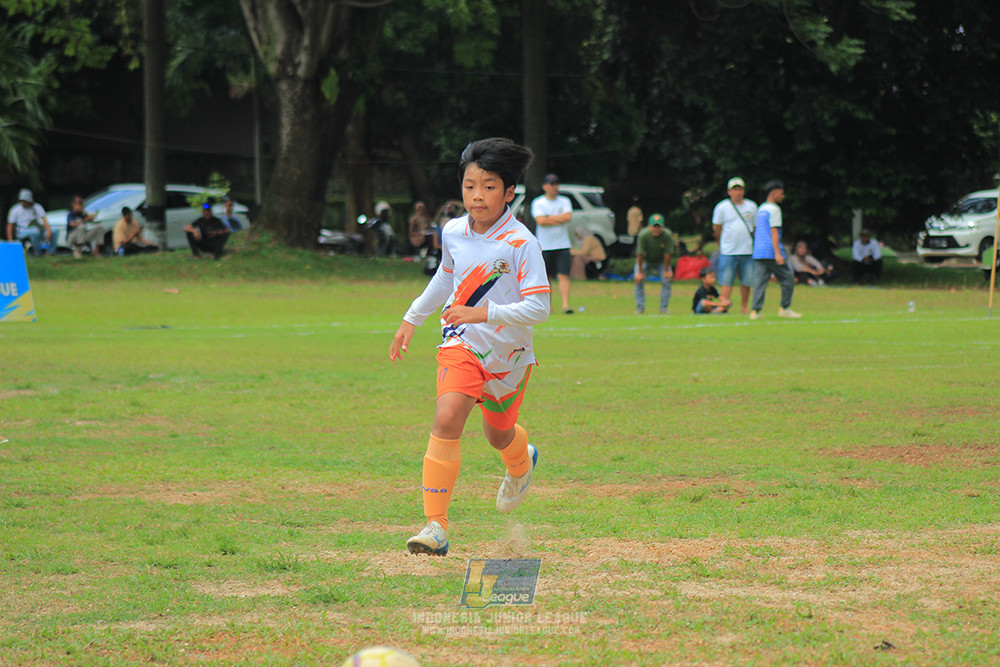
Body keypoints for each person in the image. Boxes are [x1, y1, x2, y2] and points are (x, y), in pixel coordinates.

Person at [389, 137, 548, 557]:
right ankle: (435, 526)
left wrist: (484, 313)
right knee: (447, 417)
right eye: (470, 185)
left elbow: (540, 307)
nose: (477, 196)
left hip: (508, 356)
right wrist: (412, 317)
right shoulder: (453, 231)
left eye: (489, 186)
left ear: (509, 192)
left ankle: (521, 461)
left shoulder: (521, 243)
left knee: (498, 436)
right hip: (460, 343)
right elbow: (445, 276)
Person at [750, 181, 800, 320]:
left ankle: (755, 311)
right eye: (781, 192)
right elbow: (773, 231)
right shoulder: (774, 209)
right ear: (774, 193)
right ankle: (785, 308)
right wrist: (778, 253)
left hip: (759, 250)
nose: (783, 196)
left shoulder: (761, 209)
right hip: (770, 251)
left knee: (760, 282)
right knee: (788, 278)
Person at [712, 177, 757, 314]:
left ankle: (744, 307)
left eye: (740, 189)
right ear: (729, 191)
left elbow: (754, 227)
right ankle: (724, 305)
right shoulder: (722, 207)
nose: (737, 192)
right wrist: (721, 243)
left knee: (747, 281)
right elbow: (717, 228)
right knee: (726, 280)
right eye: (734, 189)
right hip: (728, 251)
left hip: (747, 250)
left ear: (743, 191)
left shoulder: (752, 206)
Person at [531, 173, 574, 314]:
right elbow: (541, 221)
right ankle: (548, 306)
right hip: (545, 245)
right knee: (547, 277)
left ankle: (566, 305)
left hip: (563, 244)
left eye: (556, 184)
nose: (554, 187)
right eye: (551, 184)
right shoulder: (538, 202)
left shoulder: (564, 201)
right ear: (544, 186)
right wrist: (557, 218)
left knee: (564, 275)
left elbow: (568, 217)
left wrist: (549, 217)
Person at [633, 213, 675, 314]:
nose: (656, 229)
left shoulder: (667, 235)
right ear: (649, 226)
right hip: (646, 260)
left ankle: (663, 308)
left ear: (663, 227)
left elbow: (667, 254)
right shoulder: (643, 235)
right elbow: (640, 254)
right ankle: (640, 308)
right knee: (638, 281)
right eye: (654, 227)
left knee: (667, 280)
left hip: (661, 261)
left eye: (658, 227)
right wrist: (640, 272)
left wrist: (666, 271)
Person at [6, 189, 53, 256]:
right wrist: (10, 241)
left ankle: (50, 252)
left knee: (54, 231)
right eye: (22, 201)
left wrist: (49, 230)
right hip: (23, 230)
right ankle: (38, 253)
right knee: (35, 232)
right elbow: (10, 225)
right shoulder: (15, 210)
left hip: (38, 227)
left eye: (25, 201)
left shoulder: (37, 207)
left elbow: (44, 219)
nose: (23, 203)